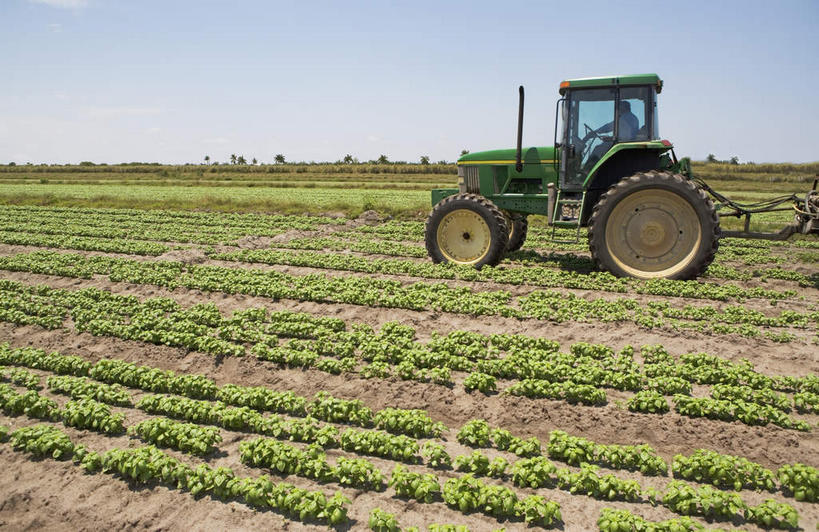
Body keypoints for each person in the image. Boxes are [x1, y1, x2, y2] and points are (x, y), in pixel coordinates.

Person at [582, 100, 639, 170]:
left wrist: (609, 138)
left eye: (619, 107)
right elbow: (609, 127)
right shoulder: (631, 117)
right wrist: (597, 132)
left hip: (623, 144)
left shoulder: (625, 118)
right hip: (624, 142)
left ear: (624, 108)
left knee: (598, 149)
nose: (618, 110)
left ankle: (586, 170)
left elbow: (625, 136)